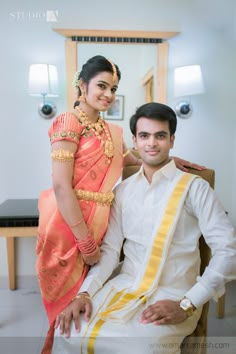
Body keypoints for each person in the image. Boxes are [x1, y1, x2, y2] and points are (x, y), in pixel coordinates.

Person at [36, 55, 205, 353]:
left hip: (99, 224)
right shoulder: (67, 121)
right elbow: (62, 187)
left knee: (85, 303)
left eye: (113, 88)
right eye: (102, 86)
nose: (108, 95)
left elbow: (130, 159)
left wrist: (169, 160)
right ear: (82, 85)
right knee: (66, 310)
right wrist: (85, 242)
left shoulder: (110, 130)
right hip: (69, 227)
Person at [51, 102, 236, 354]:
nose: (152, 143)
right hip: (125, 286)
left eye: (160, 136)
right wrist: (83, 294)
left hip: (174, 293)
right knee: (67, 331)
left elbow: (228, 250)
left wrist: (188, 303)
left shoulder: (195, 187)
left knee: (142, 349)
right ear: (135, 141)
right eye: (144, 136)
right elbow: (110, 251)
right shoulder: (123, 191)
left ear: (172, 140)